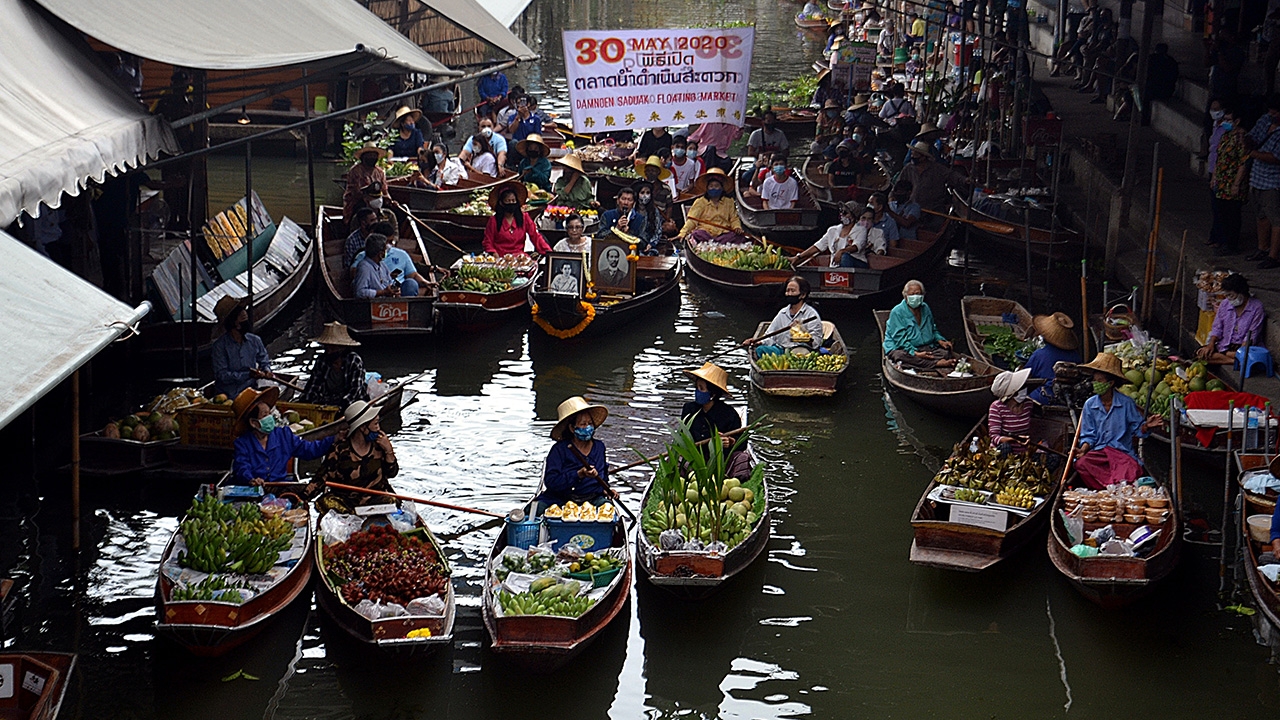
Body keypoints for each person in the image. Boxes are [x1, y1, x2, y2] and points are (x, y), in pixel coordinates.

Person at [1074, 353, 1164, 489]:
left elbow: (1138, 429)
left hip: (1122, 454)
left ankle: (1113, 488)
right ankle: (1105, 491)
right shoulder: (1089, 405)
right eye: (1094, 380)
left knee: (1131, 472)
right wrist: (1083, 449)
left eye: (1100, 381)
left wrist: (1147, 426)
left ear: (1111, 383)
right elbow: (1089, 435)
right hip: (1100, 453)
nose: (1095, 384)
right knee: (1081, 464)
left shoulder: (1126, 403)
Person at [306, 401, 399, 513]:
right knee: (325, 502)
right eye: (375, 424)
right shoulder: (339, 449)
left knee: (392, 500)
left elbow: (392, 473)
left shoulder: (380, 445)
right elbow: (321, 478)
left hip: (375, 500)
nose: (379, 428)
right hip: (347, 503)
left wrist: (389, 451)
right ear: (363, 427)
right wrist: (304, 497)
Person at [232, 387, 335, 485]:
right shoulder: (242, 443)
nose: (270, 418)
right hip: (253, 490)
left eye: (269, 414)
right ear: (253, 423)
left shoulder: (284, 435)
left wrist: (334, 439)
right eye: (264, 415)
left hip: (279, 488)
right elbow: (242, 467)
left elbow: (309, 450)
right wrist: (251, 480)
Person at [681, 363, 753, 480]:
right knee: (677, 458)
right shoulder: (689, 409)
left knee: (742, 458)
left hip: (722, 463)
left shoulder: (729, 414)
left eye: (702, 389)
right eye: (697, 388)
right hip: (696, 461)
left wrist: (729, 442)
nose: (698, 392)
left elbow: (742, 443)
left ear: (712, 394)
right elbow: (683, 438)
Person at [539, 396, 614, 506]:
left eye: (590, 423)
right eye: (583, 424)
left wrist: (606, 489)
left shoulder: (599, 447)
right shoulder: (559, 449)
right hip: (561, 499)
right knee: (536, 510)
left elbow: (603, 475)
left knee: (608, 510)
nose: (587, 427)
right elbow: (551, 482)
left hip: (592, 499)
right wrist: (579, 474)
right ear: (572, 428)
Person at [882, 279, 956, 369]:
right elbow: (900, 339)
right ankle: (935, 364)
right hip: (903, 348)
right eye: (912, 294)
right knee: (900, 356)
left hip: (924, 347)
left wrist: (940, 340)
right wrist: (915, 353)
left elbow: (933, 328)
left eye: (918, 293)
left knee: (945, 352)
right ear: (905, 296)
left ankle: (922, 363)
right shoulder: (897, 312)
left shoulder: (925, 308)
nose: (915, 297)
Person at [1195, 273, 1265, 364]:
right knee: (1200, 353)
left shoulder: (1256, 308)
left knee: (1243, 356)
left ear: (1241, 292)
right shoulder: (1225, 304)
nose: (1229, 299)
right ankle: (1232, 361)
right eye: (1227, 296)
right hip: (1225, 344)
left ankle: (1229, 357)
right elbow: (1217, 328)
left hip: (1243, 346)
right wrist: (1211, 345)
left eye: (1231, 295)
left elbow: (1251, 335)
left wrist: (1240, 353)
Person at [210, 296, 272, 397]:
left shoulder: (255, 340)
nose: (244, 313)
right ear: (233, 322)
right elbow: (222, 375)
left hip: (252, 391)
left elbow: (264, 360)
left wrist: (266, 370)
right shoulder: (220, 346)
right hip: (228, 395)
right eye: (239, 313)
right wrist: (248, 375)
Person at [349, 221, 433, 292]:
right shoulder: (363, 257)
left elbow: (413, 274)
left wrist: (425, 282)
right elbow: (355, 275)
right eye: (387, 241)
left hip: (398, 290)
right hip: (375, 290)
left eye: (391, 241)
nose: (389, 245)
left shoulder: (401, 254)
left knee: (411, 283)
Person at [1246, 96, 1280, 269]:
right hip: (1256, 177)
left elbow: (1275, 158)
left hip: (1273, 182)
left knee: (1276, 220)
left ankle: (1273, 256)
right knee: (1261, 215)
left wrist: (1252, 153)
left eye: (1275, 111)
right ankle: (1262, 248)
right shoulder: (1265, 121)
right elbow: (1253, 135)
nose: (1271, 114)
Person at [301, 323, 370, 407]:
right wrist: (307, 401)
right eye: (327, 348)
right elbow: (314, 385)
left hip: (353, 403)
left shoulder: (354, 361)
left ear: (342, 348)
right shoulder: (322, 360)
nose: (329, 352)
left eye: (333, 348)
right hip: (329, 401)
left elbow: (355, 391)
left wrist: (342, 405)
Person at [751, 276, 824, 355]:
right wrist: (758, 341)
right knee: (760, 350)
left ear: (802, 295)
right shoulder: (782, 313)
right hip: (781, 350)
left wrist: (802, 333)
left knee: (802, 353)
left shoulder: (811, 315)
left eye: (793, 291)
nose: (789, 294)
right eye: (787, 291)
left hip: (801, 352)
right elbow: (770, 335)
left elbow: (816, 342)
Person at [1209, 107, 1248, 256]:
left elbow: (1243, 162)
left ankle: (1231, 244)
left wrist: (1236, 184)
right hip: (1221, 181)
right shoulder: (1225, 135)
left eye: (1228, 120)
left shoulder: (1241, 138)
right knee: (1222, 212)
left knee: (1232, 214)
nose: (1225, 122)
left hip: (1233, 182)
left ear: (1237, 121)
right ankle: (1223, 241)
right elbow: (1219, 158)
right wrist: (1214, 177)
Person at [902, 140, 968, 220]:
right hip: (911, 208)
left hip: (933, 209)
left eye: (915, 155)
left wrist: (965, 180)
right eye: (912, 154)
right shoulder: (909, 169)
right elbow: (898, 185)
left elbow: (952, 176)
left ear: (923, 157)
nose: (912, 157)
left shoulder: (937, 169)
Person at [1024, 312, 1081, 404]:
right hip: (1070, 399)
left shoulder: (1039, 354)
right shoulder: (1075, 356)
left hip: (1043, 397)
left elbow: (1026, 376)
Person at [678, 168, 746, 243]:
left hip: (724, 234)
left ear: (722, 188)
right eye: (711, 186)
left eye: (717, 186)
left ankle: (716, 243)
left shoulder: (729, 202)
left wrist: (737, 227)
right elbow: (692, 220)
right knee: (696, 234)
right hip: (705, 234)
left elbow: (734, 219)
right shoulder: (700, 202)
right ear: (707, 188)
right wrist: (683, 233)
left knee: (738, 237)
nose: (714, 188)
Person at [483, 181, 552, 255]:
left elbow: (535, 237)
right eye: (508, 201)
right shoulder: (493, 221)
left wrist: (548, 252)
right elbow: (488, 242)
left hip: (520, 257)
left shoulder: (524, 218)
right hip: (500, 258)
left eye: (513, 200)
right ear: (501, 203)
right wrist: (494, 254)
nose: (511, 203)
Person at [793, 201, 861, 267]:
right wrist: (798, 257)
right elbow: (818, 246)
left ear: (853, 216)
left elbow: (856, 246)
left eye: (845, 213)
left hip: (852, 265)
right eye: (841, 211)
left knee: (845, 257)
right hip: (834, 267)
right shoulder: (833, 230)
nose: (842, 214)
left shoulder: (860, 230)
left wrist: (841, 251)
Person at [354, 234, 421, 298]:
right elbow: (360, 292)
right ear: (380, 254)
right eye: (385, 250)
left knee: (410, 283)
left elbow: (388, 283)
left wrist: (394, 291)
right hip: (374, 304)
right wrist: (382, 292)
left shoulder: (382, 266)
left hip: (388, 300)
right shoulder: (364, 267)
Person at [988, 368, 1034, 452]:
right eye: (1021, 387)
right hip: (1003, 450)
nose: (1025, 389)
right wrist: (1014, 439)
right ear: (1013, 393)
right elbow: (995, 437)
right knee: (1006, 448)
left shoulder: (1028, 404)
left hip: (1023, 451)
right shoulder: (996, 407)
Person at [343, 144, 389, 225]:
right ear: (363, 157)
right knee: (362, 209)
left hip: (377, 201)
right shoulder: (355, 171)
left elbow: (384, 190)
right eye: (369, 155)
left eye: (374, 155)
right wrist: (368, 199)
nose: (372, 157)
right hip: (358, 201)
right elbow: (355, 192)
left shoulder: (380, 172)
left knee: (392, 211)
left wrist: (388, 199)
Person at [630, 181, 665, 254]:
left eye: (648, 193)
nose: (645, 196)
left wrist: (651, 244)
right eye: (642, 193)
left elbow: (658, 230)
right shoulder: (631, 210)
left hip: (648, 247)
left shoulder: (654, 211)